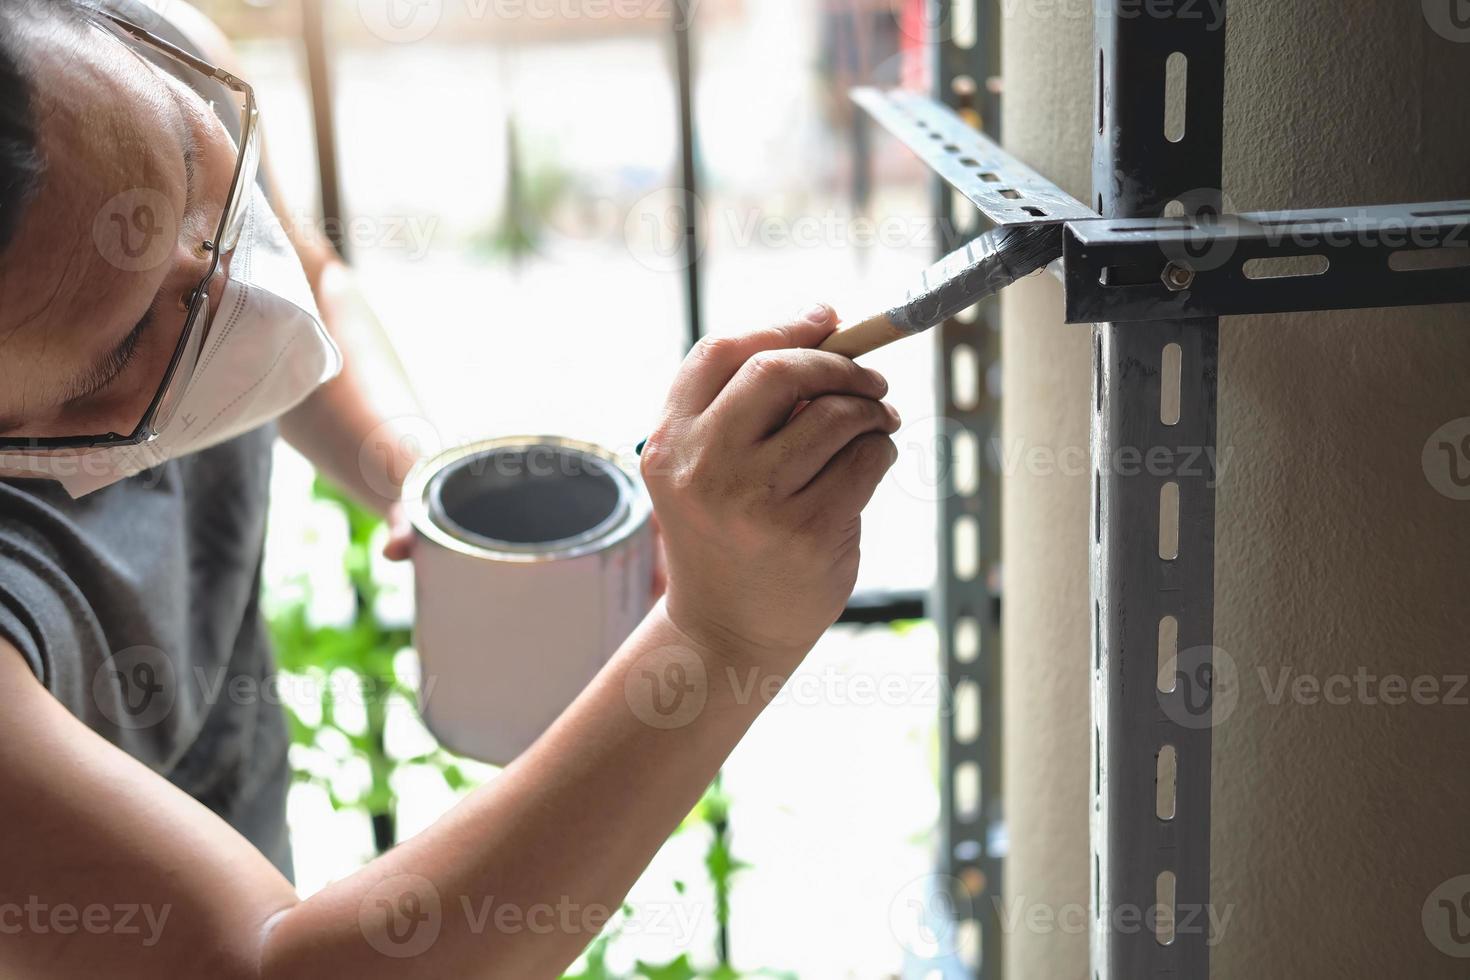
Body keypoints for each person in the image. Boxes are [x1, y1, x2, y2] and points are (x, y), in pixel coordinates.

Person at [0, 1, 900, 976]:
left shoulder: (132, 53)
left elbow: (300, 273)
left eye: (192, 164)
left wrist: (409, 471)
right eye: (133, 344)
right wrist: (723, 637)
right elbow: (266, 962)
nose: (224, 283)